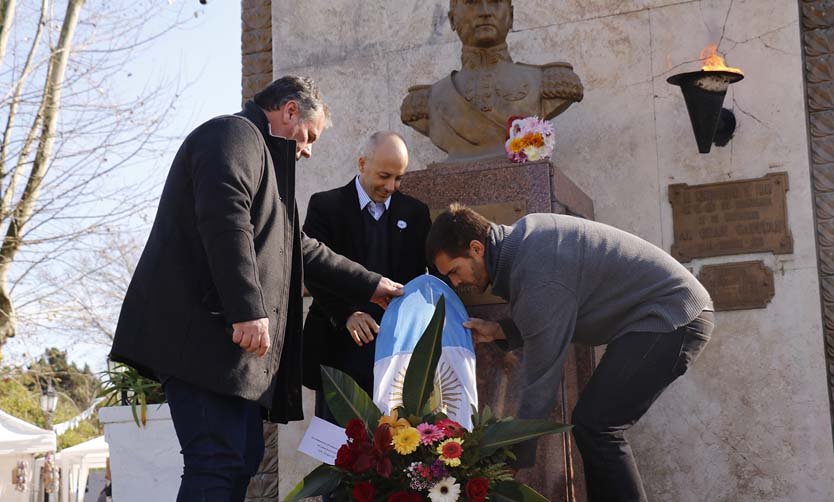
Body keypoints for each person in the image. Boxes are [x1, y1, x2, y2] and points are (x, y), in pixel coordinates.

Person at [109, 76, 402, 502]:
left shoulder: (262, 159)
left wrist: (370, 284)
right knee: (217, 460)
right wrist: (248, 308)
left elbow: (300, 250)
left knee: (239, 457)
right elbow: (225, 219)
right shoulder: (231, 135)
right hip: (203, 345)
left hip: (227, 355)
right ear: (288, 111)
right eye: (310, 136)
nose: (308, 149)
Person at [426, 204, 714, 502]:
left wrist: (508, 457)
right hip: (659, 316)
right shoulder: (527, 245)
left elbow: (541, 381)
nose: (456, 283)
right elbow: (552, 314)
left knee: (598, 425)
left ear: (476, 248)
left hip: (674, 316)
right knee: (594, 425)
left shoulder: (537, 270)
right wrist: (499, 330)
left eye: (455, 272)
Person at [301, 131, 432, 420]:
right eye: (384, 176)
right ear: (362, 164)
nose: (391, 186)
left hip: (397, 355)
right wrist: (347, 314)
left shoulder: (416, 213)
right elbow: (313, 271)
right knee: (338, 451)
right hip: (338, 353)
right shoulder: (326, 206)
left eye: (398, 178)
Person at [400, 0, 582, 161]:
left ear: (510, 16)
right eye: (472, 2)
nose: (485, 11)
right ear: (452, 19)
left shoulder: (547, 83)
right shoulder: (426, 102)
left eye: (495, 1)